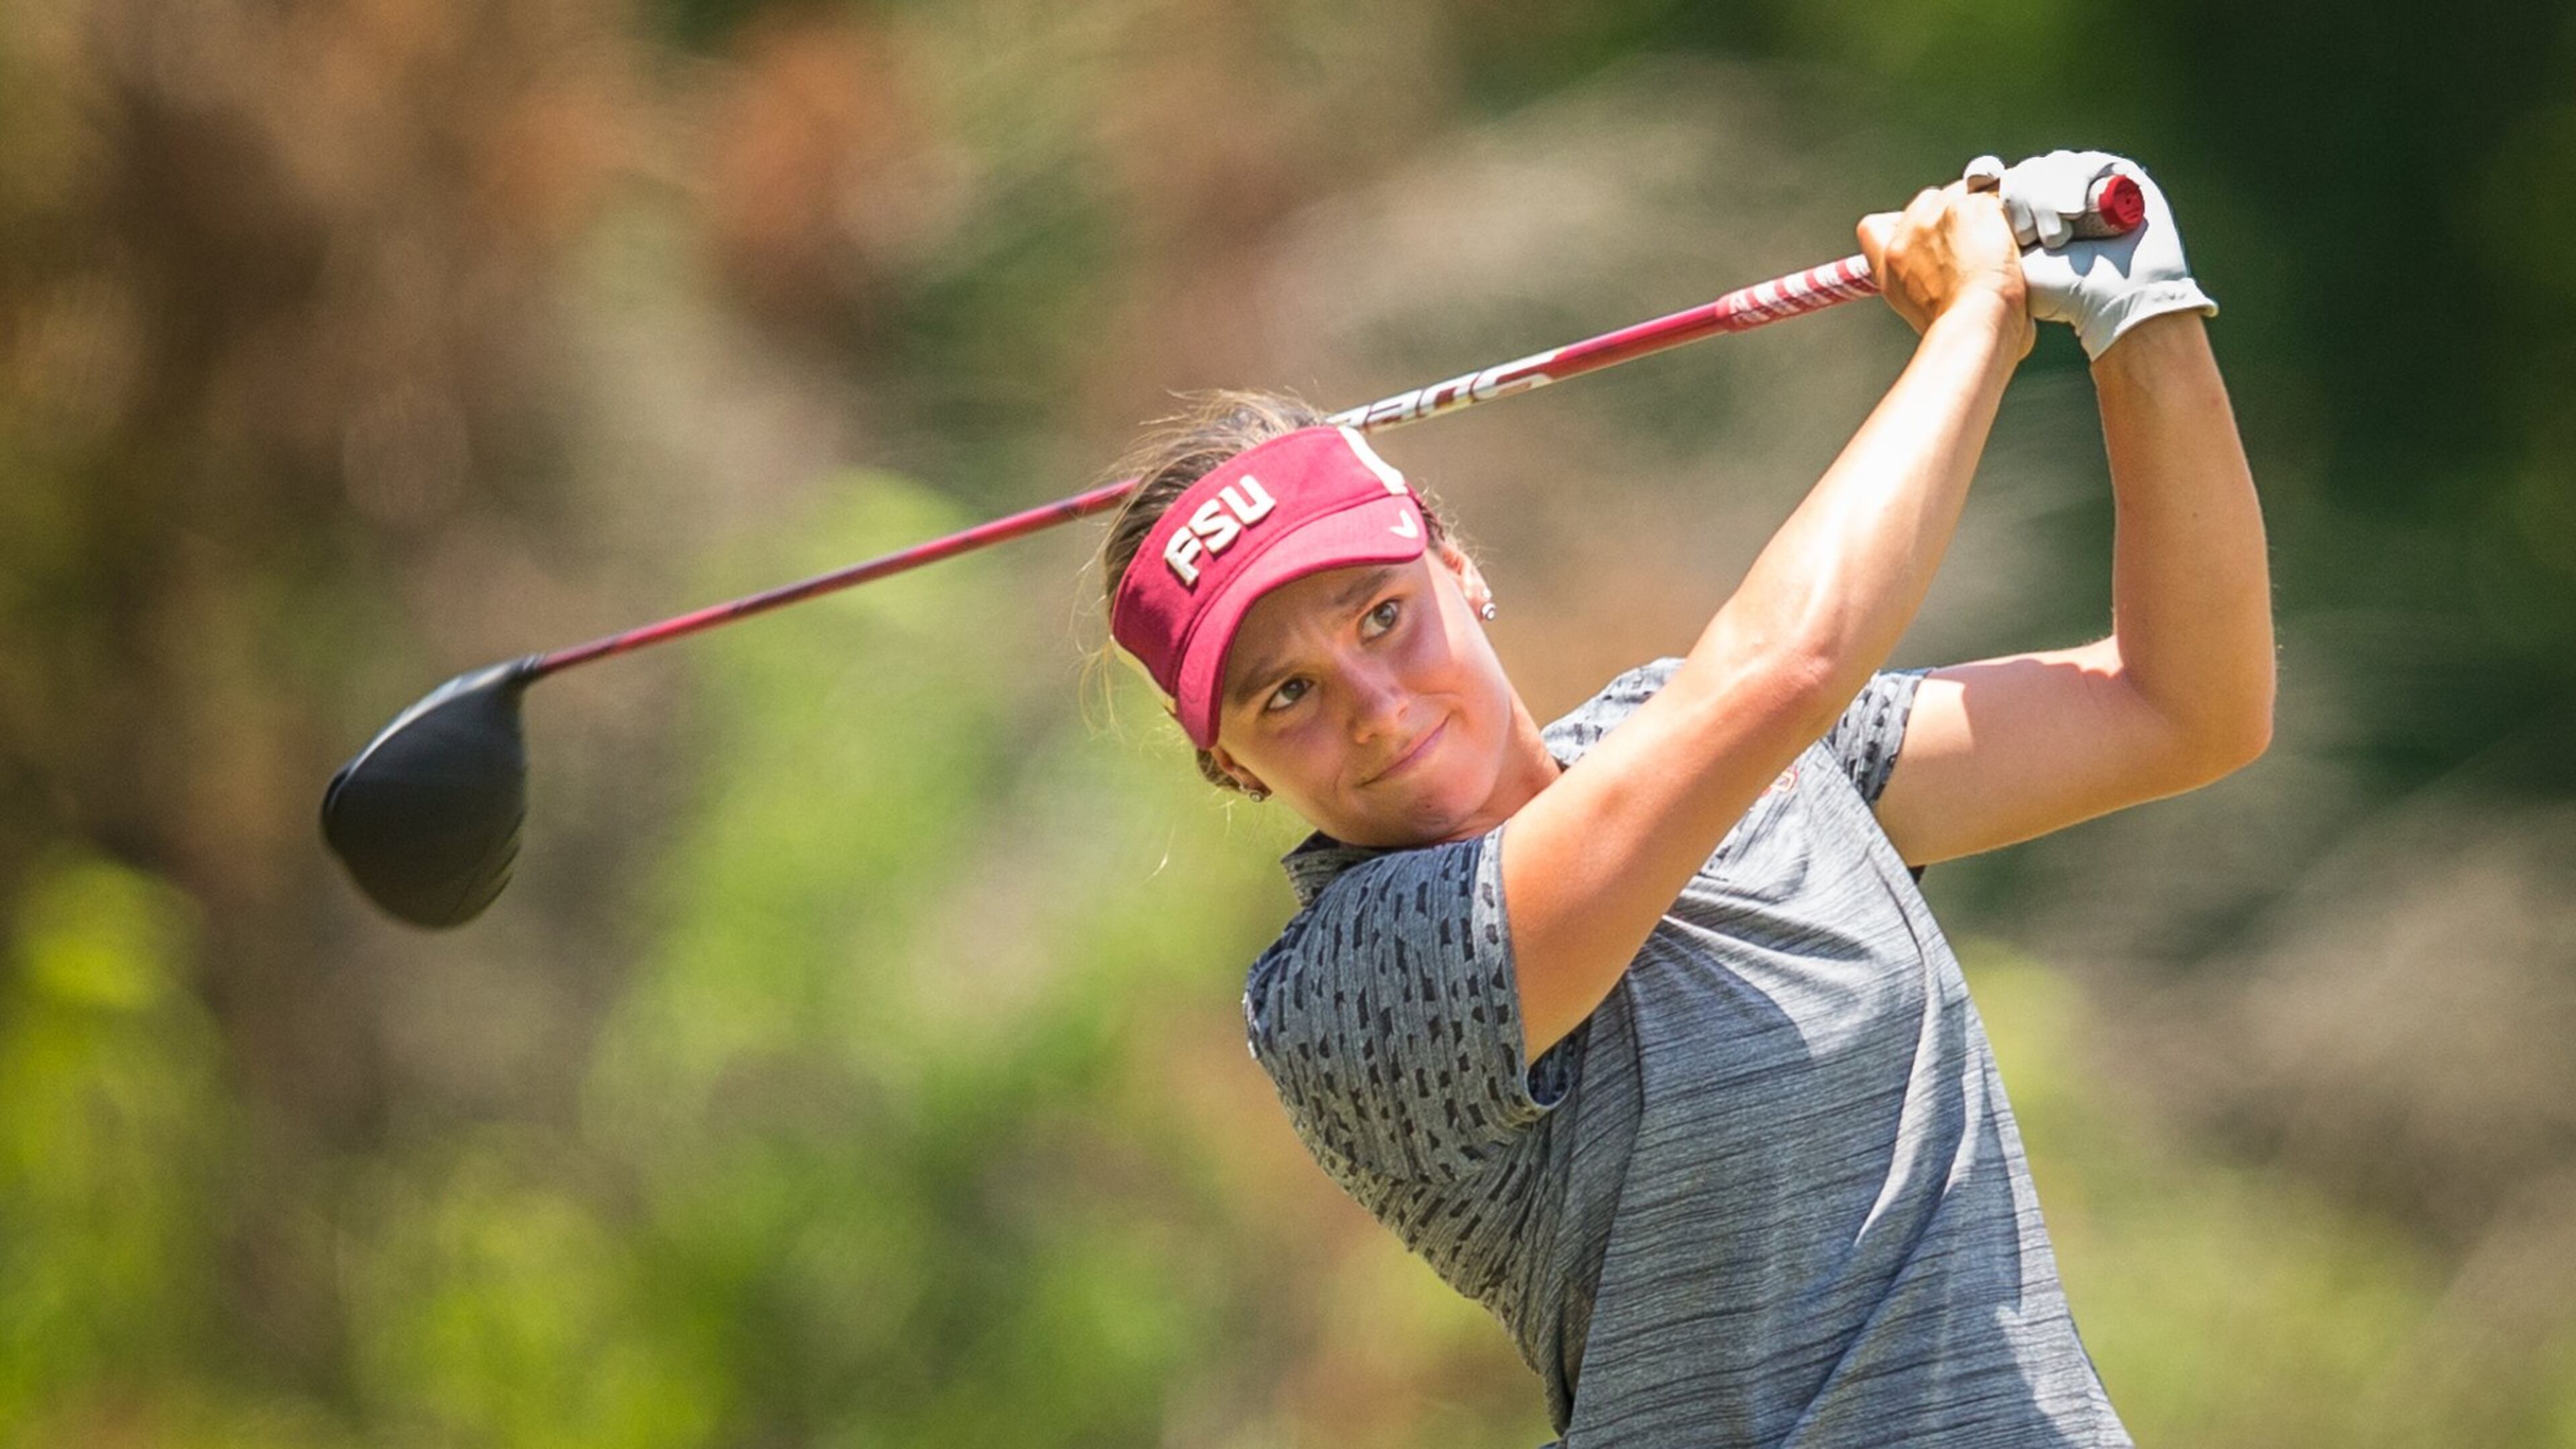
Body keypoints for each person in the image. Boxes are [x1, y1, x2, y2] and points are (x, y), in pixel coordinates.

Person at [1091, 151, 2271, 1448]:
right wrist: (1980, 318)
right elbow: (1783, 669)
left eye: (1383, 614)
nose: (1372, 702)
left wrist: (2138, 312)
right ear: (1226, 764)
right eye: (1286, 697)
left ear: (1459, 566)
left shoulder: (1749, 749)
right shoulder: (1347, 996)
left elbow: (2183, 708)